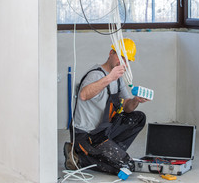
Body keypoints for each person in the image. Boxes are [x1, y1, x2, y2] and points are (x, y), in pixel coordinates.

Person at [64, 38, 149, 175]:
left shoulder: (118, 78)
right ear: (111, 53)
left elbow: (127, 107)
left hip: (103, 131)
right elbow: (84, 95)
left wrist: (136, 100)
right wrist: (110, 77)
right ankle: (79, 156)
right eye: (121, 58)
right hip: (87, 135)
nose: (124, 64)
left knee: (138, 117)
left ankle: (108, 153)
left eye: (127, 61)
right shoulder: (96, 74)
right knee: (125, 165)